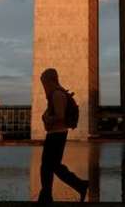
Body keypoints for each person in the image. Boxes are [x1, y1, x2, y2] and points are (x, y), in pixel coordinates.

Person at [37, 68, 89, 203]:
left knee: (50, 166)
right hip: (55, 134)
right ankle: (47, 195)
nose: (43, 86)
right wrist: (46, 116)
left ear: (50, 80)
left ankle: (48, 195)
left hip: (57, 135)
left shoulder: (57, 95)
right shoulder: (55, 94)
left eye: (44, 82)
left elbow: (60, 116)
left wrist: (48, 119)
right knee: (50, 166)